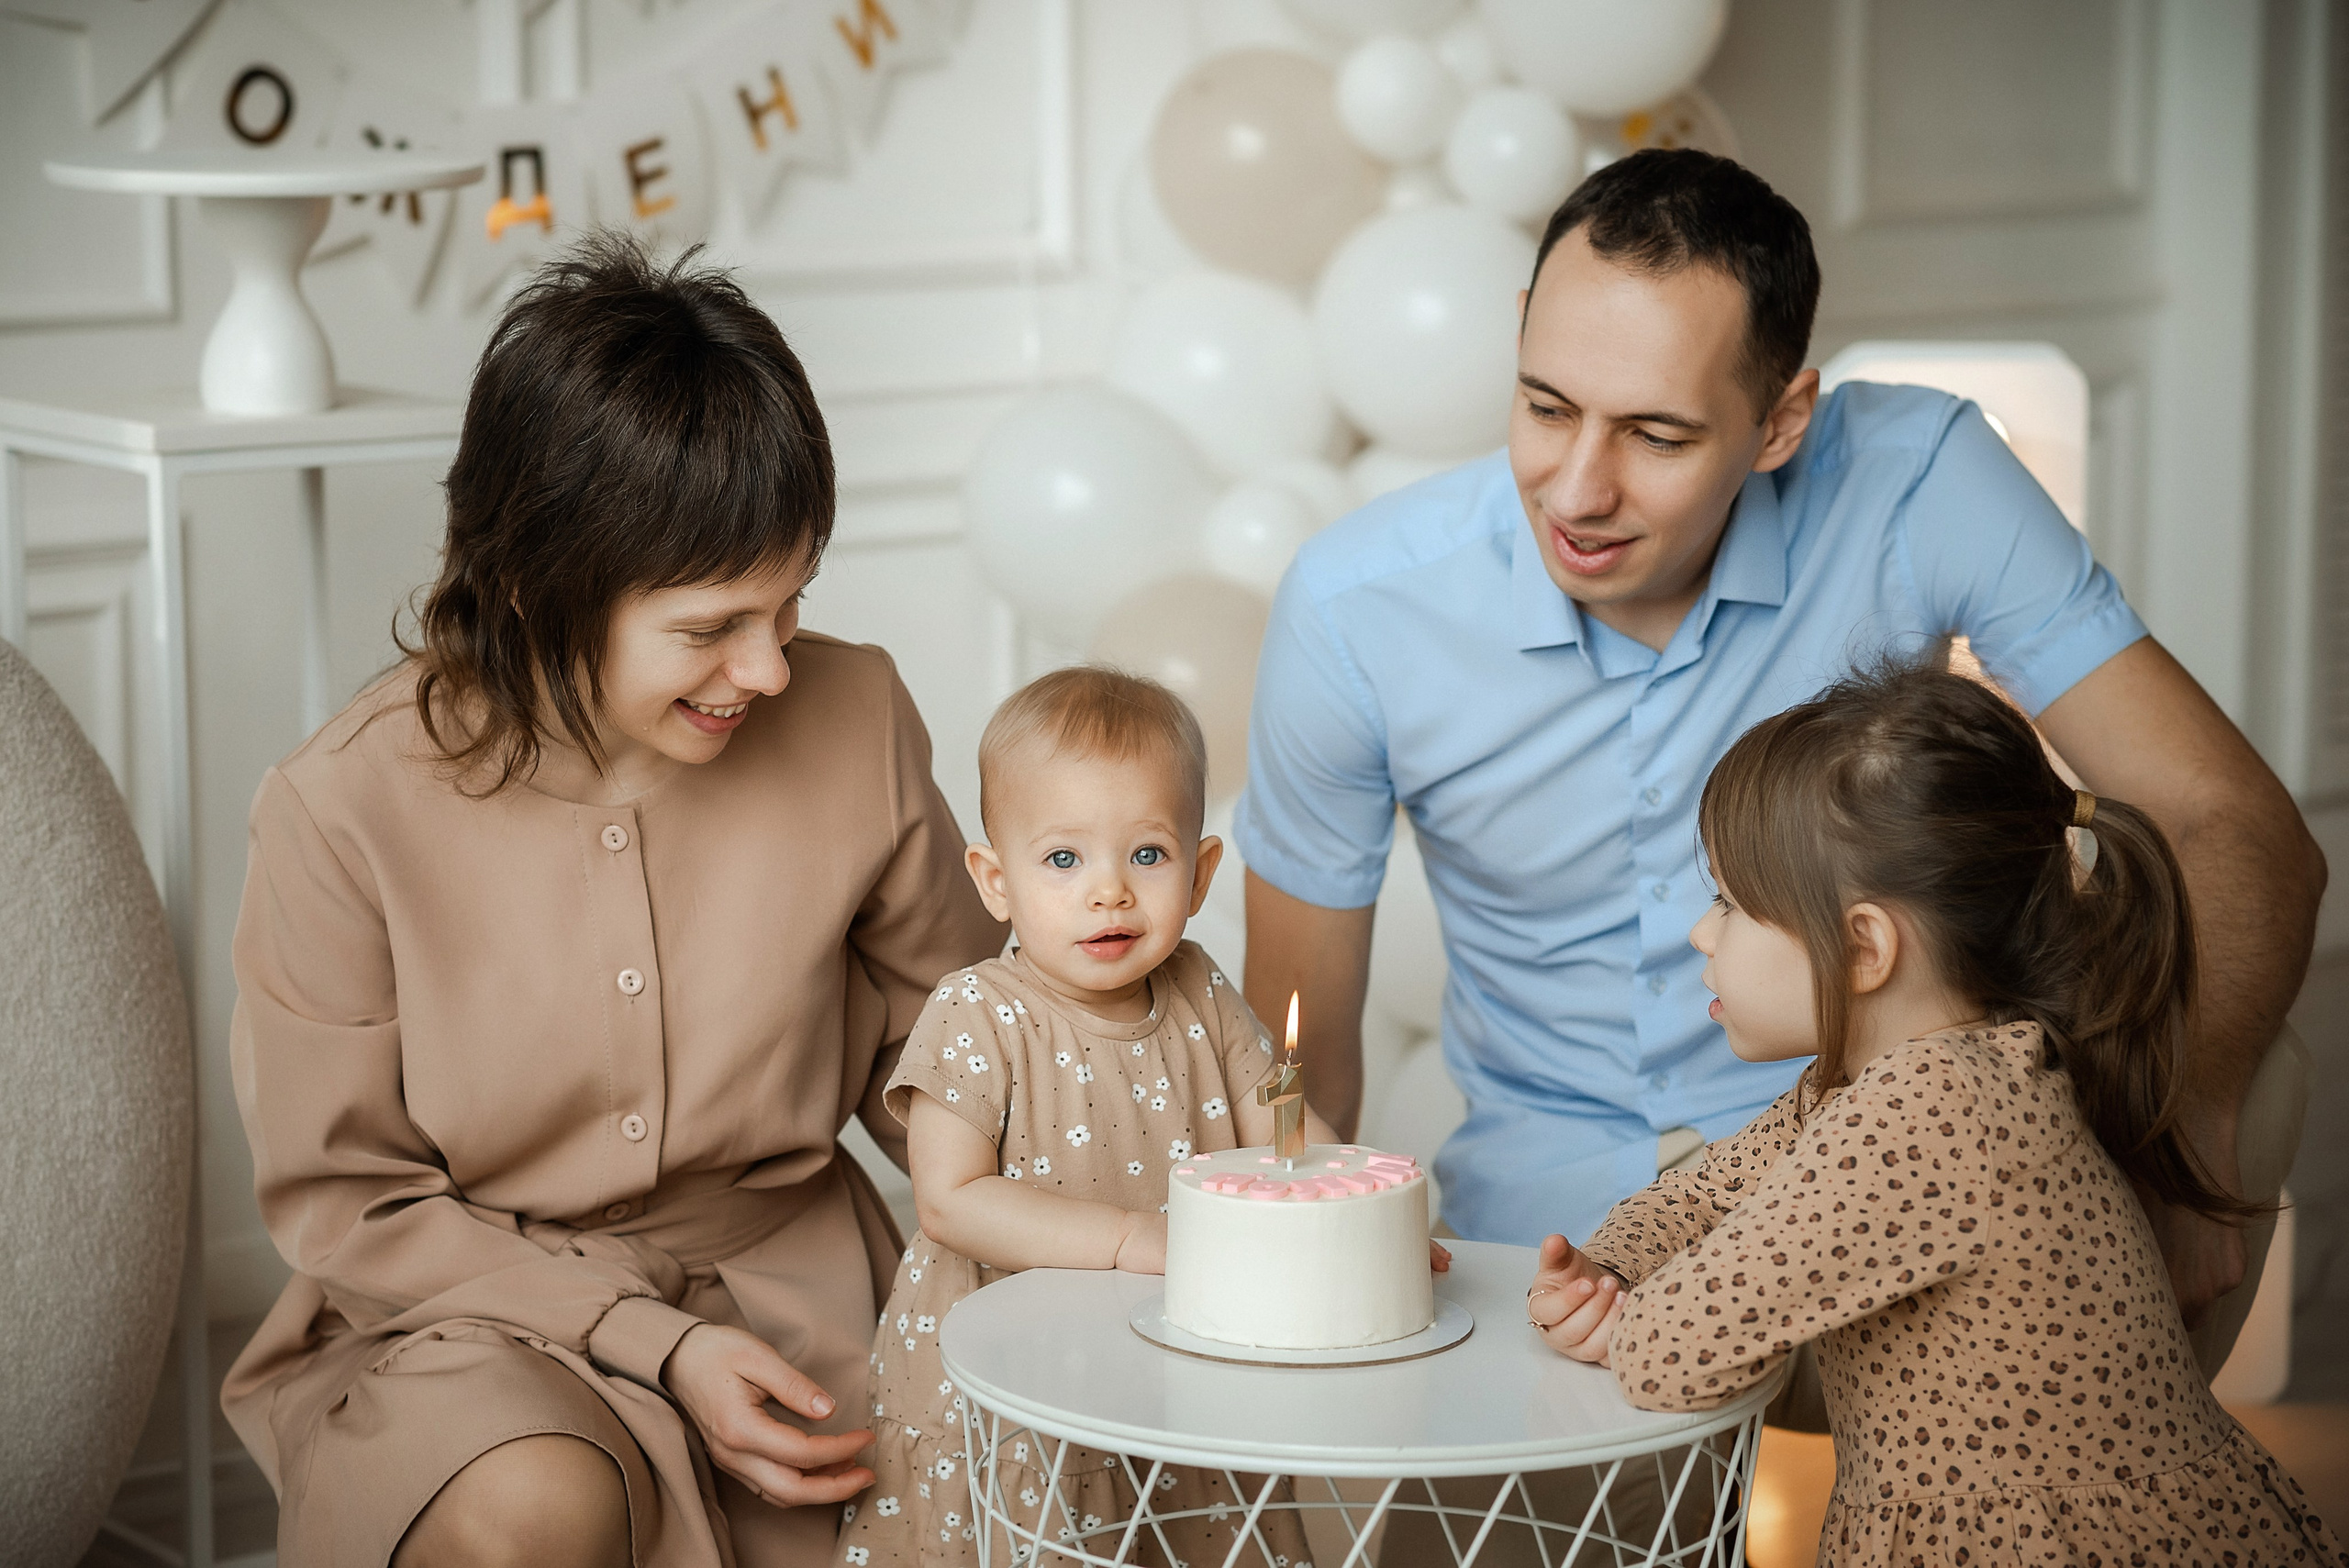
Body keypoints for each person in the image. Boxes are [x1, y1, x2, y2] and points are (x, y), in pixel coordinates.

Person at [1237, 148, 2321, 1368]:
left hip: (1893, 1192)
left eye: (1656, 432)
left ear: (1781, 420)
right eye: (1546, 407)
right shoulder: (1355, 604)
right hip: (1546, 1245)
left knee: (2254, 1064)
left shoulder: (1918, 480)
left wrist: (2184, 1147)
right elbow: (1299, 1067)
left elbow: (2234, 824)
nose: (1578, 490)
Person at [220, 235, 1004, 1567]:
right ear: (536, 588)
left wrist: (1171, 1223)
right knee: (531, 1514)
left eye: (790, 608)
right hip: (469, 1323)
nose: (766, 669)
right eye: (709, 628)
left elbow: (963, 1053)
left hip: (807, 1299)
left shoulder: (856, 713)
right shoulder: (339, 808)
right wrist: (655, 1342)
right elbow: (350, 1202)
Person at [1529, 660, 2341, 1565]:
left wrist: (1617, 1320)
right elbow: (1700, 1195)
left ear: (1864, 946)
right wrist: (1605, 1265)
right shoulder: (1876, 1080)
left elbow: (1680, 1349)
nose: (1700, 934)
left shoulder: (1935, 1116)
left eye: (1731, 902)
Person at [838, 666, 1442, 1567]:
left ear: (1199, 874)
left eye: (1147, 854)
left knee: (1187, 1525)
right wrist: (1128, 1236)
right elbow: (950, 1199)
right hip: (1019, 1386)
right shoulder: (978, 1009)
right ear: (995, 880)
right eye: (1063, 858)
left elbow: (1289, 1133)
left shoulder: (1199, 988)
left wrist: (1361, 1231)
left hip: (1173, 1367)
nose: (1110, 891)